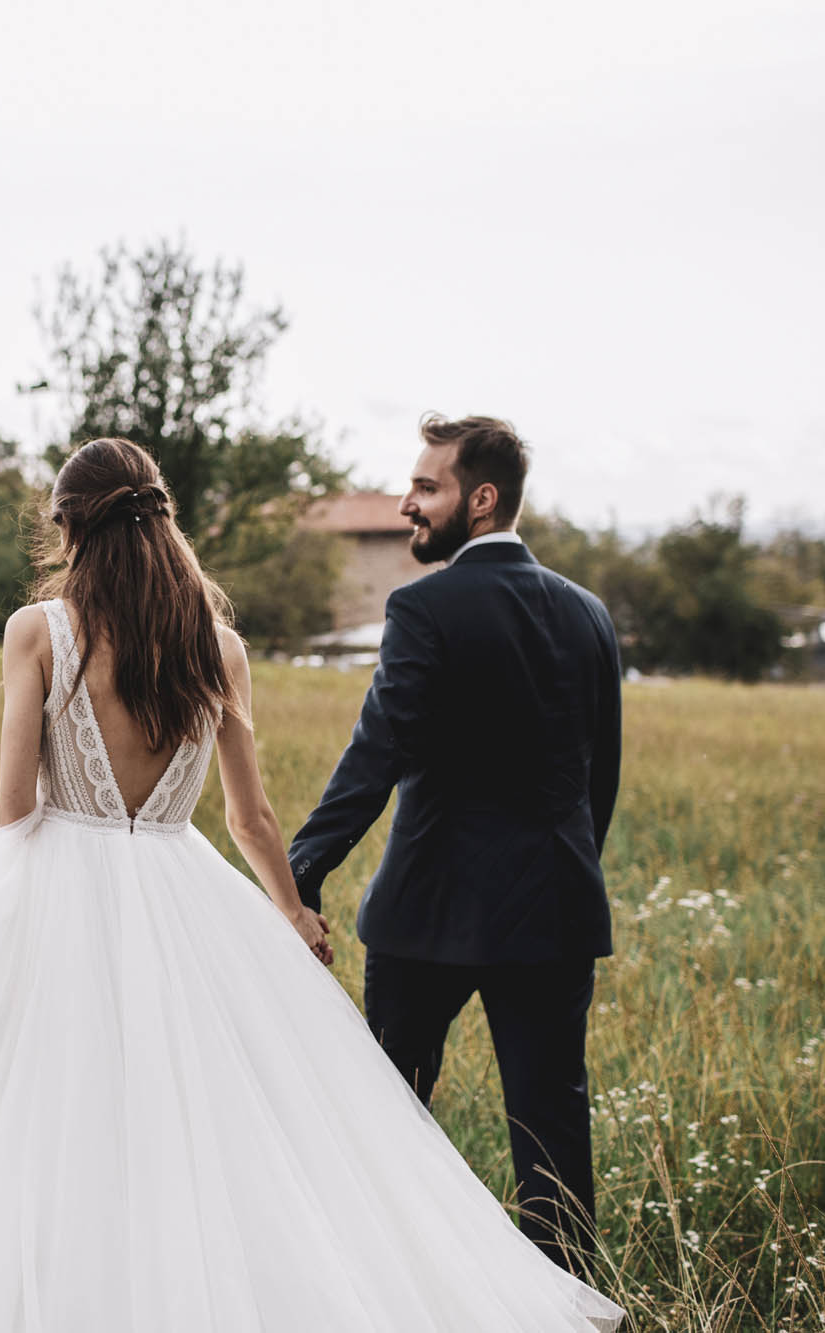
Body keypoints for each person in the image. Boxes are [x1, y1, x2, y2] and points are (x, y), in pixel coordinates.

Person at [0, 436, 623, 1331]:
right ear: (163, 522)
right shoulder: (219, 647)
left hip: (53, 882)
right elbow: (250, 818)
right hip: (186, 888)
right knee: (196, 1115)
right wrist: (291, 909)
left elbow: (12, 807)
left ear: (71, 528)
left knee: (29, 1105)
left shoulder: (38, 631)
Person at [288, 414, 623, 1277]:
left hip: (426, 915)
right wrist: (561, 871)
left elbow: (376, 755)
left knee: (385, 1115)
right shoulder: (588, 613)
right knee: (553, 1135)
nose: (407, 504)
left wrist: (298, 872)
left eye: (426, 487)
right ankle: (571, 1306)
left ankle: (377, 1284)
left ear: (481, 499)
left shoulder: (422, 608)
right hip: (554, 911)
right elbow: (599, 783)